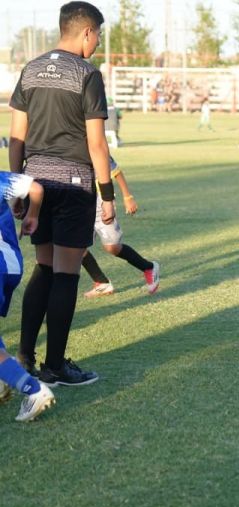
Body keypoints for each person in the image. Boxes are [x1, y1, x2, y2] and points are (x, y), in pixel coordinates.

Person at [9, 1, 113, 385]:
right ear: (86, 31)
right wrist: (108, 195)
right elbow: (97, 145)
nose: (98, 42)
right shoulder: (87, 74)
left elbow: (16, 135)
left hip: (36, 184)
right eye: (98, 34)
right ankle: (55, 367)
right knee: (67, 275)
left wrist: (18, 184)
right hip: (73, 186)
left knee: (45, 267)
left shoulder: (31, 68)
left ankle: (23, 357)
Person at [0, 171, 56, 421]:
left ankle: (33, 390)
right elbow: (36, 188)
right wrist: (32, 215)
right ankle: (3, 377)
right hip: (11, 264)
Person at [81, 156, 160, 298]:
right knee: (76, 247)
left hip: (101, 202)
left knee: (112, 247)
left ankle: (148, 267)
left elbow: (116, 172)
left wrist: (127, 197)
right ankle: (101, 282)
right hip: (78, 202)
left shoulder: (94, 143)